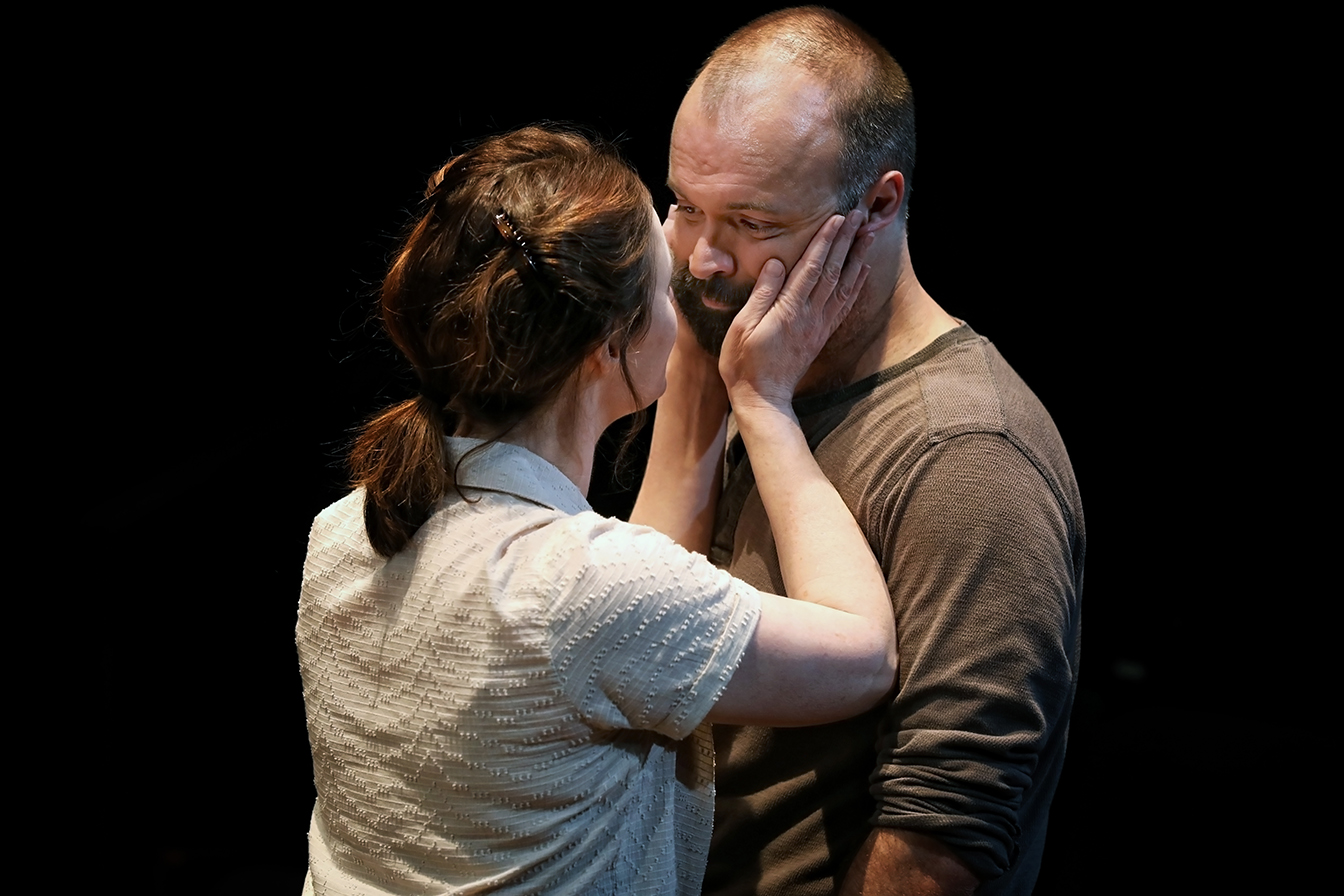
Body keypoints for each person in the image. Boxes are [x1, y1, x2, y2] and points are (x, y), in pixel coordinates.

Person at [296, 125, 898, 896]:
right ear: (610, 338)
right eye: (665, 275)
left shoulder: (343, 531)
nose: (699, 269)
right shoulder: (586, 589)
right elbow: (864, 657)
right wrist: (764, 403)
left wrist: (700, 381)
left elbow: (620, 634)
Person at [634, 8, 1085, 896]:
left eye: (754, 222)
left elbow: (942, 837)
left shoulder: (967, 453)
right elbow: (641, 653)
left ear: (878, 204)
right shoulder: (728, 355)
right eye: (687, 207)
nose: (703, 260)